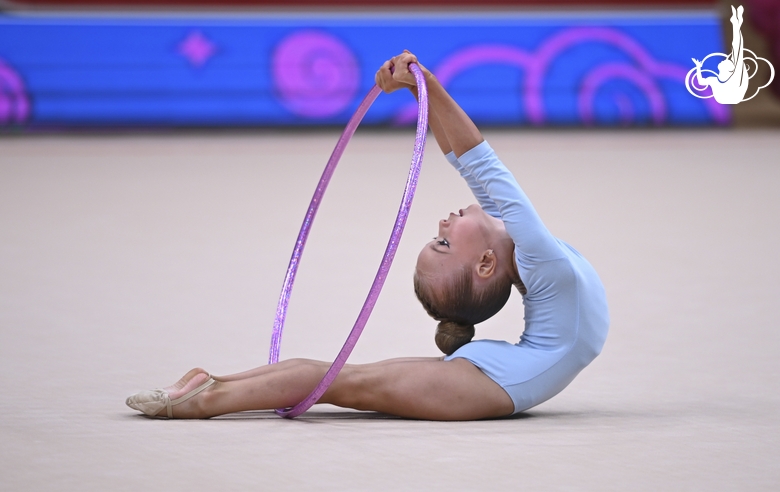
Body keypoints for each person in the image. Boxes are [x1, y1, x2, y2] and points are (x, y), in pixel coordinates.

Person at [126, 51, 609, 421]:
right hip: (496, 380)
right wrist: (422, 87)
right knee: (334, 377)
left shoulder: (533, 257)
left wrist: (426, 89)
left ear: (487, 265)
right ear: (485, 264)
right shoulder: (536, 255)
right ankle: (208, 389)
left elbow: (476, 163)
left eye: (440, 238)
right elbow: (477, 162)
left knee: (335, 378)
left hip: (497, 380)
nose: (442, 223)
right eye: (443, 240)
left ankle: (206, 393)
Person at [692, 5, 749, 104]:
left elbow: (737, 47)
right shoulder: (714, 80)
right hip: (726, 98)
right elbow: (701, 82)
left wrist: (736, 25)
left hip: (732, 97)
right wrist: (698, 67)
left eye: (727, 61)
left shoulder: (734, 78)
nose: (726, 59)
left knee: (737, 51)